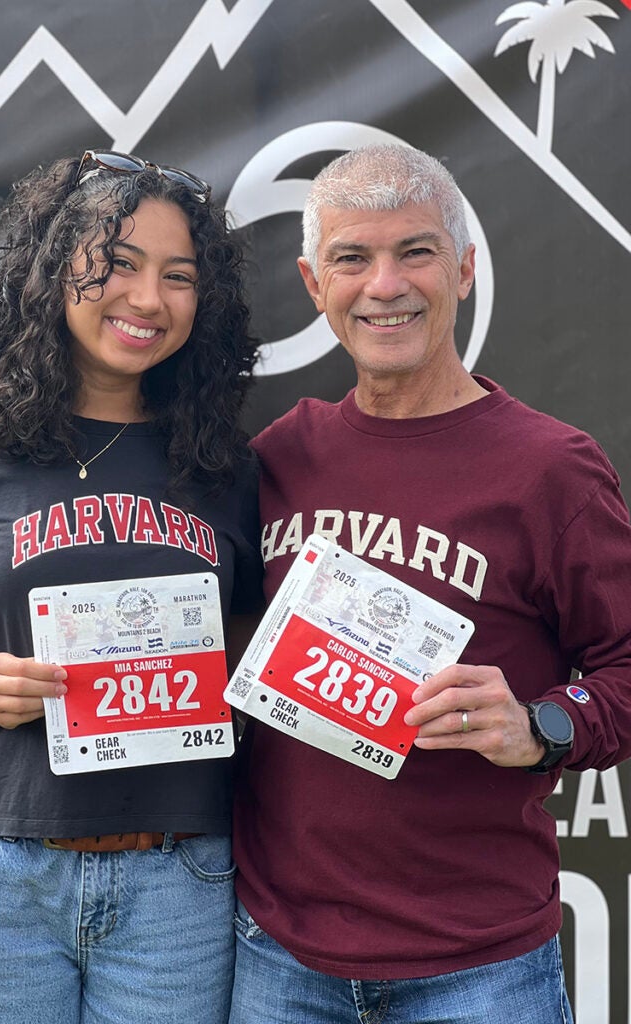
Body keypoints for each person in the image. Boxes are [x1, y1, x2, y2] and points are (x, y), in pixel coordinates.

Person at [228, 143, 631, 1023]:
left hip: (479, 967)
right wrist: (19, 431)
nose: (386, 285)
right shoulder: (278, 458)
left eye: (415, 251)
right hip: (278, 957)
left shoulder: (551, 469)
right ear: (314, 284)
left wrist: (543, 726)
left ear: (465, 268)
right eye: (352, 258)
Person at [0, 149, 263, 1024]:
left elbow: (246, 669)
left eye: (179, 276)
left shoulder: (227, 472)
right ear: (53, 271)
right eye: (118, 263)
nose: (148, 299)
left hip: (178, 881)